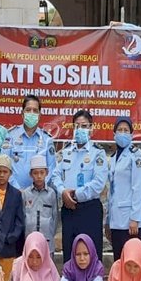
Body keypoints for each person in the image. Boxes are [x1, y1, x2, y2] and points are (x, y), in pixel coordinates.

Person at [52, 109, 109, 259]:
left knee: (91, 255)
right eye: (77, 126)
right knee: (70, 255)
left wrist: (75, 195)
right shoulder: (67, 152)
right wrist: (62, 191)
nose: (80, 130)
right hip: (69, 210)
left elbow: (98, 183)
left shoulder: (98, 153)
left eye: (84, 126)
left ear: (91, 128)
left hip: (89, 210)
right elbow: (55, 175)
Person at [107, 116, 141, 260]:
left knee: (132, 262)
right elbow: (111, 192)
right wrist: (108, 220)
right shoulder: (113, 157)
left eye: (126, 130)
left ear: (131, 134)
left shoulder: (136, 155)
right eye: (119, 130)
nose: (122, 133)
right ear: (114, 134)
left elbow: (138, 187)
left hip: (131, 222)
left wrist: (135, 218)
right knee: (119, 261)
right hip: (116, 220)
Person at [5, 94, 56, 190]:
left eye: (35, 110)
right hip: (14, 192)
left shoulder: (47, 139)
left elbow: (52, 169)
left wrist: (39, 188)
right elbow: (4, 166)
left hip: (39, 195)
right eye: (28, 110)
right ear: (22, 114)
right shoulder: (11, 136)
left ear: (39, 115)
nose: (31, 113)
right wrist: (16, 189)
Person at [21, 154, 59, 255]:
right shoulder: (26, 194)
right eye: (35, 173)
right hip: (29, 239)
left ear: (46, 173)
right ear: (30, 174)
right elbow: (23, 215)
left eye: (42, 173)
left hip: (47, 239)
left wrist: (50, 232)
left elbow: (55, 217)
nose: (39, 176)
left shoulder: (51, 193)